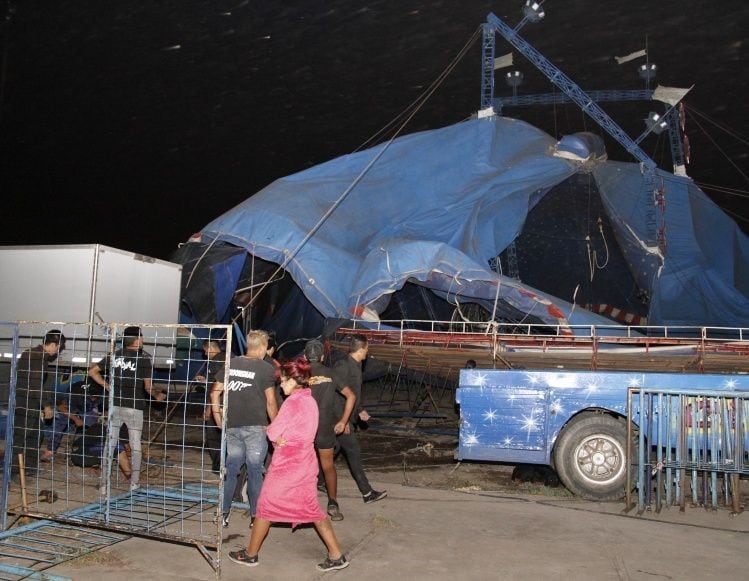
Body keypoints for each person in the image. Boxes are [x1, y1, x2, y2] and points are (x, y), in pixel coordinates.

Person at [228, 357, 349, 572]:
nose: (280, 385)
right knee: (311, 509)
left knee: (265, 506)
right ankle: (336, 554)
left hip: (289, 464)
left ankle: (250, 554)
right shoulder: (308, 399)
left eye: (283, 381)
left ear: (295, 380)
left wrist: (276, 435)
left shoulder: (293, 402)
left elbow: (274, 430)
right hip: (305, 461)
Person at [211, 330, 278, 527]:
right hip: (256, 428)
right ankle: (255, 517)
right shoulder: (266, 369)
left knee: (231, 471)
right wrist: (277, 428)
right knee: (255, 471)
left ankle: (223, 513)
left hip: (232, 426)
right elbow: (271, 402)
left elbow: (215, 394)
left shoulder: (231, 364)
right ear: (264, 347)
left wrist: (218, 418)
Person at [88, 326, 165, 491]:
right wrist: (158, 395)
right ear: (136, 340)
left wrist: (107, 386)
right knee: (135, 445)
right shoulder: (143, 359)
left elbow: (92, 371)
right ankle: (134, 483)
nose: (143, 340)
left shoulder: (114, 355)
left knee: (110, 443)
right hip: (134, 407)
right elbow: (148, 387)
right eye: (141, 337)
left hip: (115, 406)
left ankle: (104, 484)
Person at [304, 339, 356, 521]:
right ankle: (332, 502)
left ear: (304, 356)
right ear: (323, 356)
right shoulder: (331, 374)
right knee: (328, 466)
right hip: (325, 426)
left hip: (304, 428)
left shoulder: (300, 375)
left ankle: (302, 502)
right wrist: (343, 420)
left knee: (302, 466)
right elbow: (351, 395)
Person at [332, 334, 387, 504]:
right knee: (353, 452)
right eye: (367, 348)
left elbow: (353, 394)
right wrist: (344, 420)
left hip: (348, 418)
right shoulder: (343, 366)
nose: (368, 352)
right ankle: (367, 492)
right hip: (341, 419)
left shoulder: (357, 366)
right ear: (361, 349)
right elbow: (335, 395)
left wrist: (360, 410)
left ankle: (317, 481)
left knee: (331, 452)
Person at [12, 330, 65, 476]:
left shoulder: (30, 353)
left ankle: (28, 468)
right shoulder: (38, 357)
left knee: (35, 434)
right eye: (58, 348)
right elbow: (36, 384)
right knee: (21, 437)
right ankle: (15, 471)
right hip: (27, 401)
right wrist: (46, 405)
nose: (57, 352)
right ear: (54, 344)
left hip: (27, 400)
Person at [42, 377, 102, 462]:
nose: (94, 397)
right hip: (72, 405)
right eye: (92, 396)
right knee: (61, 421)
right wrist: (76, 419)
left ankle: (92, 453)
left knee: (95, 424)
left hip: (88, 408)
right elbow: (62, 408)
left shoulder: (102, 394)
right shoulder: (76, 393)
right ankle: (50, 451)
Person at [193, 339, 225, 474]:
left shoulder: (216, 361)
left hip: (217, 405)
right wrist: (206, 380)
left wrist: (208, 409)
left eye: (206, 350)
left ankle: (218, 467)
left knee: (213, 437)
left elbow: (214, 391)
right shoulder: (227, 358)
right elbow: (218, 382)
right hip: (226, 404)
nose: (205, 354)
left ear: (211, 348)